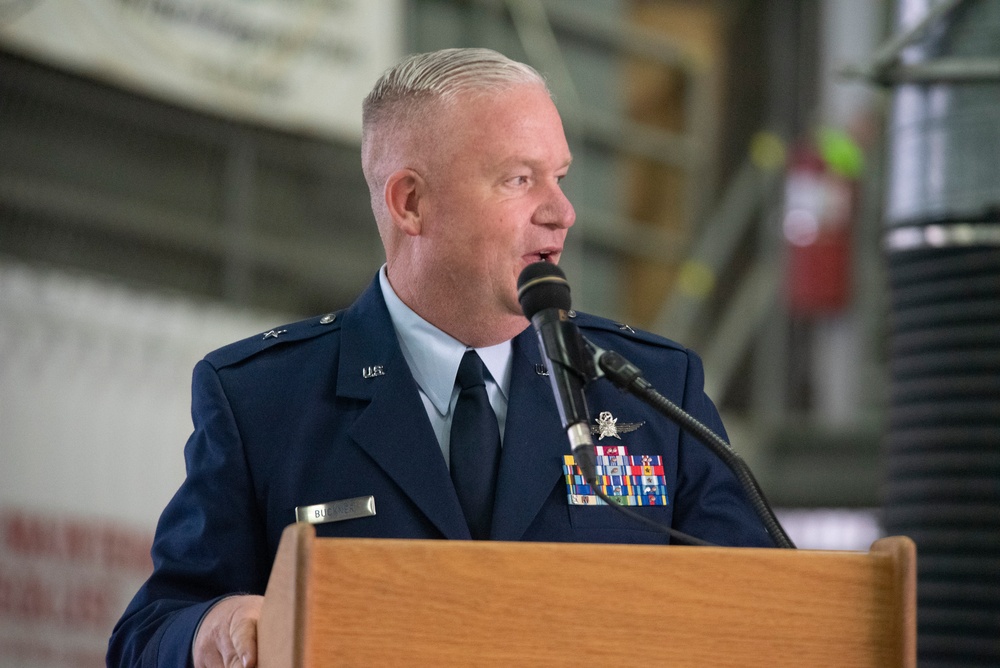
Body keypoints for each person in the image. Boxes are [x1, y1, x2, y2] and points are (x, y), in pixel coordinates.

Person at [107, 47, 773, 668]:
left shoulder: (649, 388)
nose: (563, 212)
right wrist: (217, 624)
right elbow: (147, 633)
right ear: (411, 203)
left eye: (560, 176)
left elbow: (769, 611)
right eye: (519, 179)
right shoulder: (262, 400)